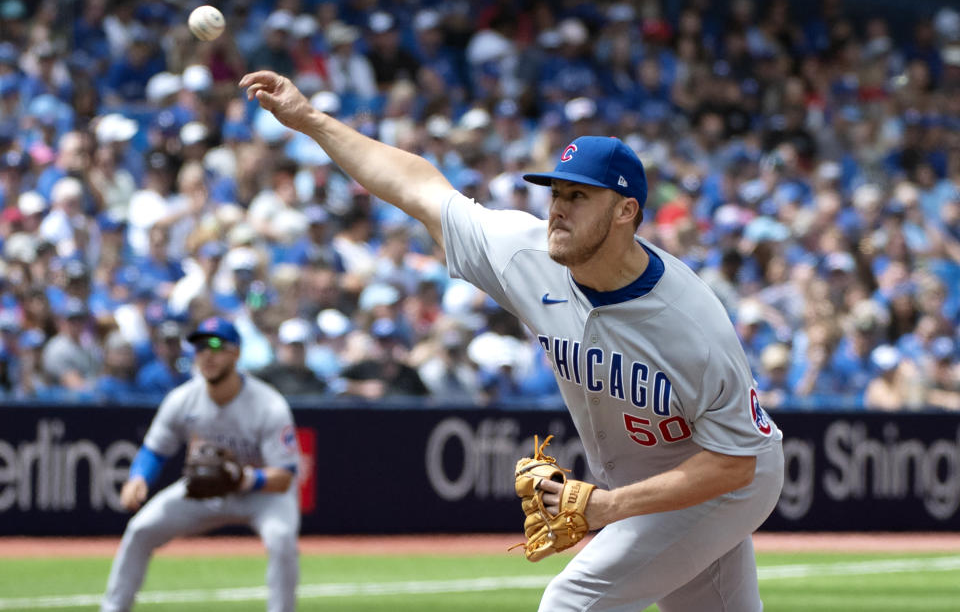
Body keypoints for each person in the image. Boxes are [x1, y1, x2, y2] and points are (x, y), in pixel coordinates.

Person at [241, 70, 784, 611]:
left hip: (731, 479)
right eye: (555, 192)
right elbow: (419, 188)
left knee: (570, 602)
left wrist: (608, 507)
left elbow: (735, 463)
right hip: (656, 480)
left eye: (579, 195)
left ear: (626, 211)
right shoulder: (528, 255)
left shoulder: (689, 321)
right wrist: (310, 120)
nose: (557, 207)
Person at [101, 317, 300, 612]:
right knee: (140, 529)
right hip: (206, 491)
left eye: (216, 345)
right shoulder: (182, 399)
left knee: (282, 539)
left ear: (236, 353)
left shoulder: (269, 404)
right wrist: (139, 477)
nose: (207, 353)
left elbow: (285, 477)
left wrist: (243, 478)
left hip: (262, 494)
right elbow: (154, 450)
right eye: (199, 346)